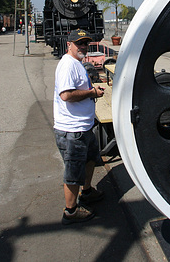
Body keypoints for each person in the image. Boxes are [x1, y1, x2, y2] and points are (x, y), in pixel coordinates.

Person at [54, 29, 106, 224]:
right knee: (74, 172)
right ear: (69, 45)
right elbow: (66, 95)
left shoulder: (77, 63)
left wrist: (91, 90)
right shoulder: (67, 65)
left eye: (85, 43)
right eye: (79, 43)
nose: (83, 47)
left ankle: (87, 191)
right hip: (71, 130)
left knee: (90, 159)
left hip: (83, 127)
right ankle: (71, 211)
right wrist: (92, 93)